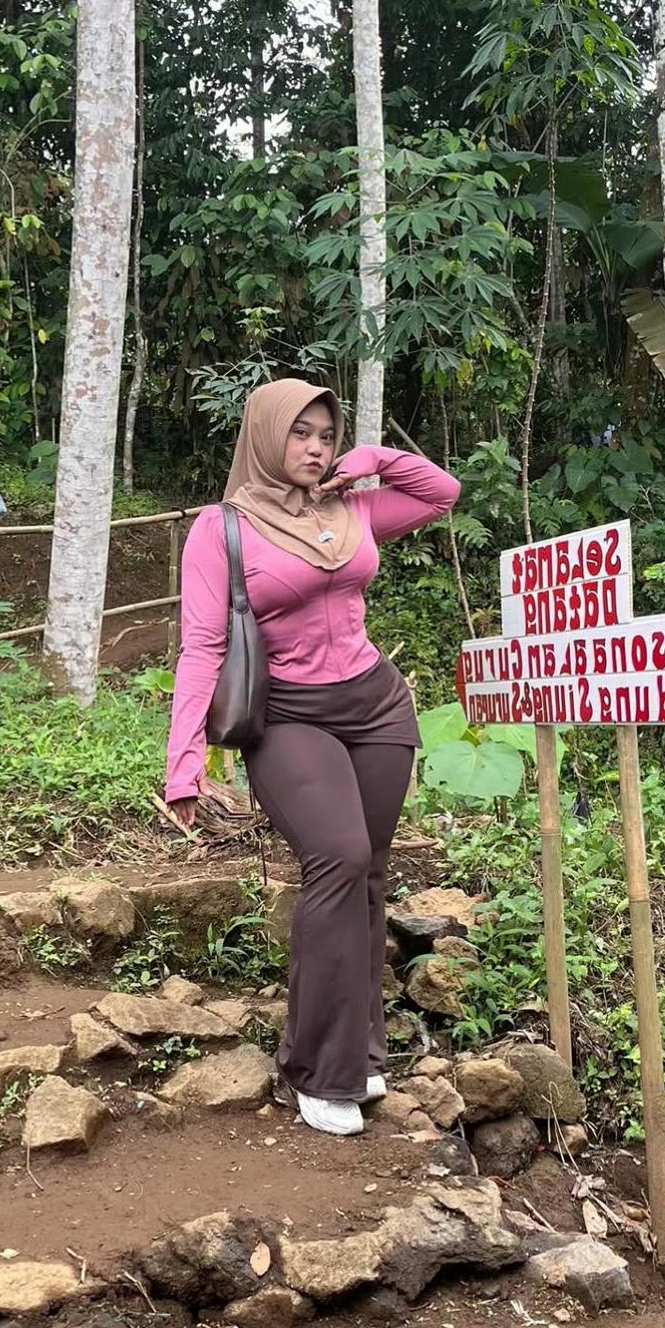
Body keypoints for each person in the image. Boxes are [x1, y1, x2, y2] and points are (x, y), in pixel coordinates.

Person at [165, 378, 460, 1137]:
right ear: (266, 435)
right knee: (335, 856)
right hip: (288, 715)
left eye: (326, 434)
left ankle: (359, 1051)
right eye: (300, 433)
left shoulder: (351, 508)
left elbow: (441, 492)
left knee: (368, 871)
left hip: (377, 707)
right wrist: (184, 758)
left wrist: (372, 456)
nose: (315, 448)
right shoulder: (222, 528)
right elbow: (202, 644)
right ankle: (317, 1070)